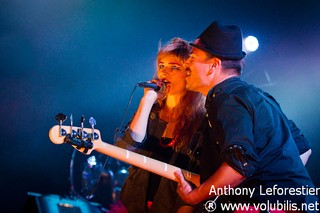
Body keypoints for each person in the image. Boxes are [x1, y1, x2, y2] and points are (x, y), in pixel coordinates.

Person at [174, 21, 317, 213]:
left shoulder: (226, 99)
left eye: (192, 57)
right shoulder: (257, 96)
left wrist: (195, 195)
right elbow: (302, 149)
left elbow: (240, 164)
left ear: (213, 65)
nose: (186, 63)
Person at [115, 37, 206, 213]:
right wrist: (147, 99)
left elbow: (198, 176)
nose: (164, 73)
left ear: (189, 72)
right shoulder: (151, 111)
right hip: (135, 204)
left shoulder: (202, 121)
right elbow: (126, 147)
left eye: (174, 67)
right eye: (161, 66)